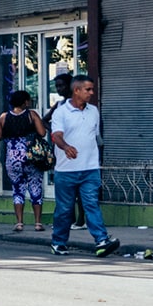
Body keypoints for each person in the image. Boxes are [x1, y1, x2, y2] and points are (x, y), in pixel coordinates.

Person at [49, 74, 118, 257]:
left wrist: (99, 159)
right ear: (76, 90)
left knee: (91, 204)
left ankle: (101, 240)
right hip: (66, 170)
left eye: (92, 89)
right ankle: (59, 242)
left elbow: (96, 137)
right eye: (88, 89)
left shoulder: (93, 111)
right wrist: (66, 147)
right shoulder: (61, 112)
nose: (91, 93)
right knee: (65, 209)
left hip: (90, 169)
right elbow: (56, 136)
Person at [0, 90, 47, 232]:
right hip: (31, 158)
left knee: (18, 190)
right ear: (25, 102)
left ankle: (19, 222)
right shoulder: (32, 115)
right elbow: (42, 133)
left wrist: (10, 135)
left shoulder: (4, 117)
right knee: (35, 188)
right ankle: (37, 223)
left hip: (13, 159)